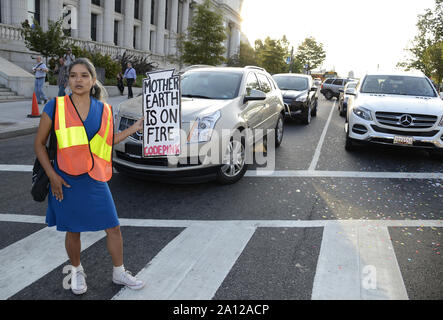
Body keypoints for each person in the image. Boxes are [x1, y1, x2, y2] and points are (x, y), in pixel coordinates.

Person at [34, 58, 145, 295]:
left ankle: (119, 272)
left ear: (93, 80)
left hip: (94, 177)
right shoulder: (55, 106)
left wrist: (134, 129)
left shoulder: (105, 109)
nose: (78, 80)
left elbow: (108, 141)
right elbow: (39, 144)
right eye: (73, 75)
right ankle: (76, 271)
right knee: (73, 230)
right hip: (65, 179)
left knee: (113, 227)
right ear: (67, 79)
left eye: (84, 75)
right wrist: (52, 175)